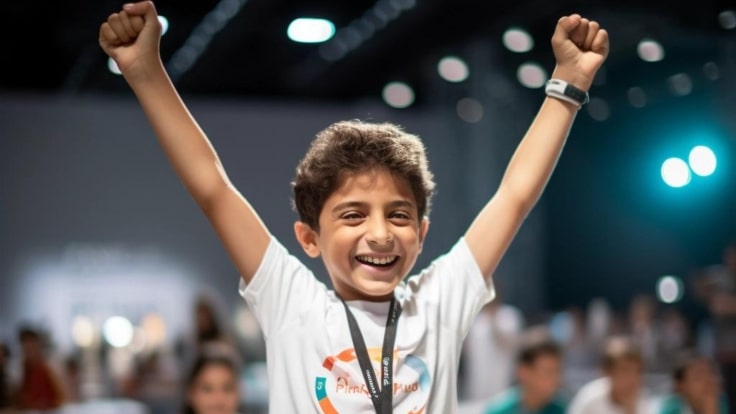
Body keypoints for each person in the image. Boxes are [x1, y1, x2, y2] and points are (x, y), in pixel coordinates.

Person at [98, 2, 609, 411]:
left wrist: (567, 85)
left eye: (399, 214)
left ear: (423, 233)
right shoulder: (290, 301)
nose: (381, 233)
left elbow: (514, 197)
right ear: (309, 239)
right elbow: (213, 187)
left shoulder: (439, 301)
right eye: (353, 214)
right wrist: (146, 72)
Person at [693, 239, 736, 410]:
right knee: (727, 399)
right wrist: (705, 289)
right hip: (725, 354)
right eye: (730, 257)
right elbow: (698, 288)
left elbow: (726, 306)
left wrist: (730, 305)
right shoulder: (719, 277)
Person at [483, 328, 566, 414]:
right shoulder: (498, 411)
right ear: (524, 372)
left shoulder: (565, 410)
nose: (557, 380)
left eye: (558, 371)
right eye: (548, 372)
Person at [567, 335, 658, 414]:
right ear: (608, 372)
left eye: (638, 371)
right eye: (625, 370)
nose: (632, 378)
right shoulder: (589, 399)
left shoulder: (644, 402)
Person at [462, 292, 525, 402]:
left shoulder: (509, 315)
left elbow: (510, 344)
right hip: (478, 382)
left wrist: (493, 319)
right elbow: (468, 350)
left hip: (503, 381)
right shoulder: (476, 319)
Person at [658, 350, 729, 414]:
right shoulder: (671, 410)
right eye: (698, 377)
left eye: (711, 373)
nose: (708, 381)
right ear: (680, 386)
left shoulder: (725, 403)